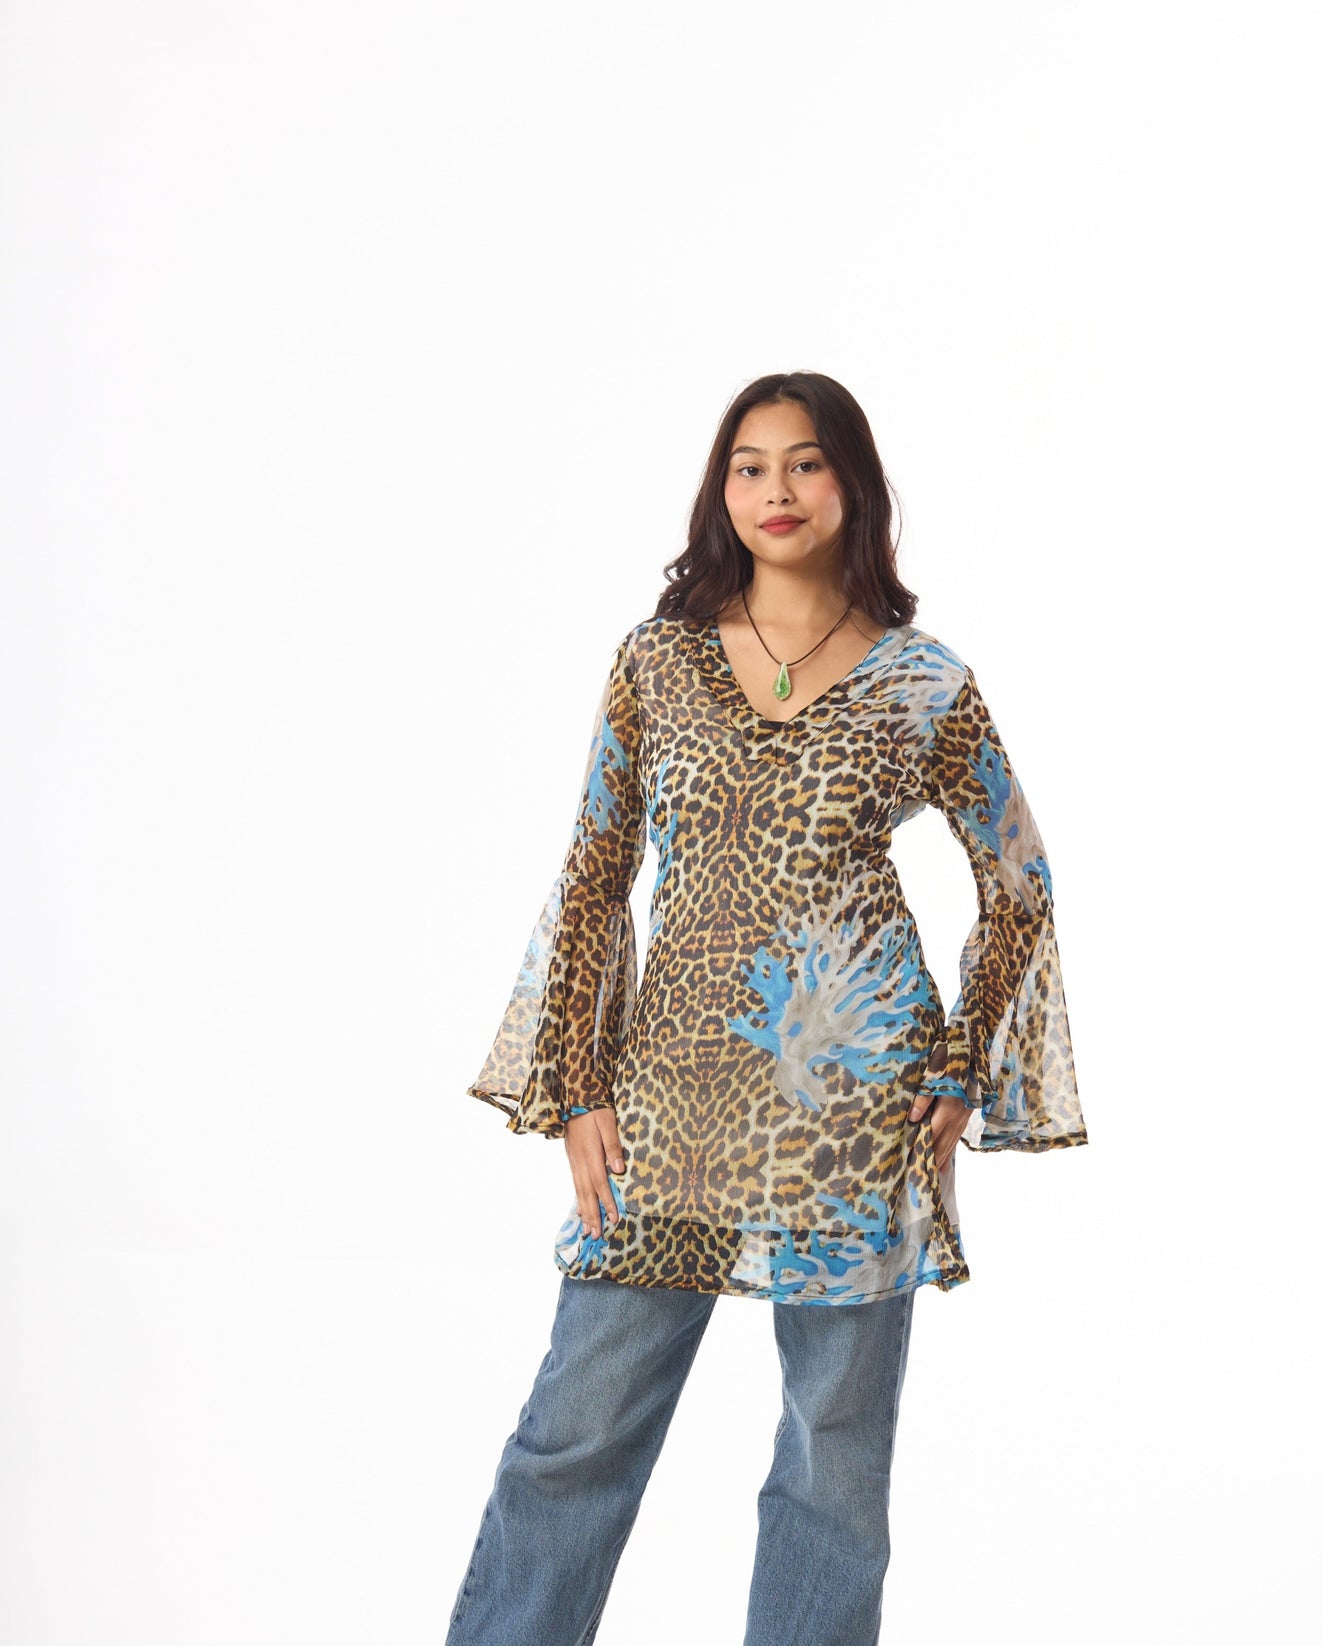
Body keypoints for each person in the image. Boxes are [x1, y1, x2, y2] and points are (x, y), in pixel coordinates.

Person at [443, 370, 1088, 1646]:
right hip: (666, 1104)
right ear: (719, 489)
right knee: (571, 1438)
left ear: (852, 483)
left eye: (803, 462)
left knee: (830, 1474)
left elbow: (1019, 880)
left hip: (853, 1113)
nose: (774, 489)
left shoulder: (922, 681)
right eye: (748, 465)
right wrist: (577, 1084)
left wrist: (958, 1064)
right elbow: (594, 873)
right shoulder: (657, 660)